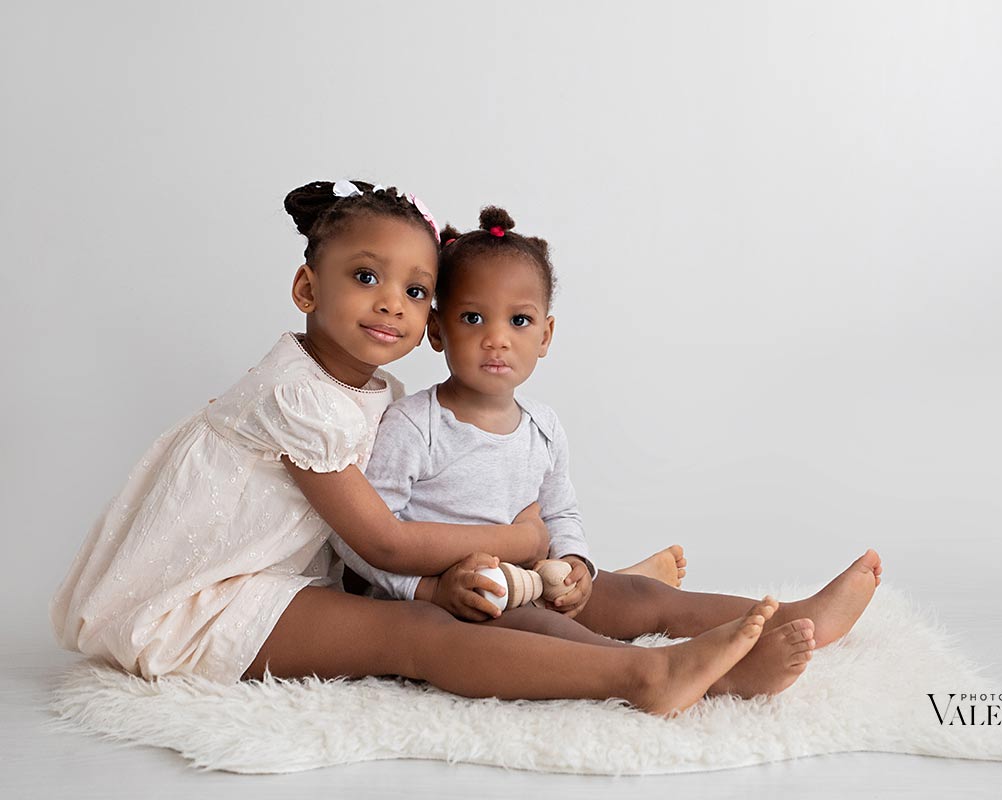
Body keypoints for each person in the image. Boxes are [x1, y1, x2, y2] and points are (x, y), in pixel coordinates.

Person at [49, 179, 782, 716]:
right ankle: (644, 678)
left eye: (416, 289)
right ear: (307, 286)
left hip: (277, 581)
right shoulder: (295, 396)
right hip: (199, 604)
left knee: (465, 607)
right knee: (416, 633)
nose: (392, 303)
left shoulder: (371, 394)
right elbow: (389, 544)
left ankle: (765, 621)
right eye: (365, 277)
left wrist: (527, 561)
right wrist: (520, 538)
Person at [333, 205, 885, 698]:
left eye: (519, 320)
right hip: (460, 599)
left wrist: (576, 565)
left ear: (545, 335)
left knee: (642, 597)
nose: (496, 338)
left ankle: (788, 616)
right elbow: (367, 540)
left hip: (532, 575)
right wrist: (424, 590)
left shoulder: (542, 427)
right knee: (553, 632)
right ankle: (697, 676)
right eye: (473, 318)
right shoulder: (415, 424)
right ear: (437, 330)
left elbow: (560, 512)